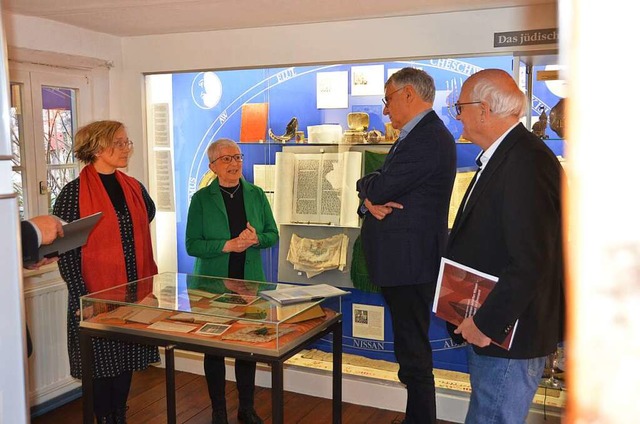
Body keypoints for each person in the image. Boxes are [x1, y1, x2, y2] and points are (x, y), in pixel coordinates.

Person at [445, 69, 564, 424]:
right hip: (497, 326)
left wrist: (485, 323)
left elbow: (531, 261)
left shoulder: (525, 161)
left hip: (508, 331)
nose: (458, 115)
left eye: (460, 107)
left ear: (483, 110)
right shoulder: (509, 155)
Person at [356, 68, 456, 424]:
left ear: (408, 94)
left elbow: (380, 186)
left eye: (387, 99)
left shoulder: (427, 138)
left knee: (413, 355)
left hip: (411, 265)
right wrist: (369, 198)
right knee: (410, 353)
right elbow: (378, 189)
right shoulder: (416, 136)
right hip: (404, 263)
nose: (385, 110)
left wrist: (370, 191)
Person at [53, 120, 159, 424]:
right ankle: (104, 418)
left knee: (124, 358)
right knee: (99, 364)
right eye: (120, 143)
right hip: (93, 295)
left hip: (132, 292)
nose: (127, 149)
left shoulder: (134, 187)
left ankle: (118, 416)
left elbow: (146, 216)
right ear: (98, 148)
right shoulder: (73, 194)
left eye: (128, 142)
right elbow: (66, 250)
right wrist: (82, 297)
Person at [185, 138, 278, 424]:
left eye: (237, 157)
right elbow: (192, 245)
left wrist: (255, 239)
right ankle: (218, 412)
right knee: (214, 350)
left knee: (246, 348)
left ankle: (246, 409)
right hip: (212, 286)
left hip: (250, 284)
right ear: (212, 166)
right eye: (226, 159)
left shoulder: (257, 194)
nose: (234, 164)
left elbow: (272, 235)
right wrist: (227, 245)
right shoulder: (201, 200)